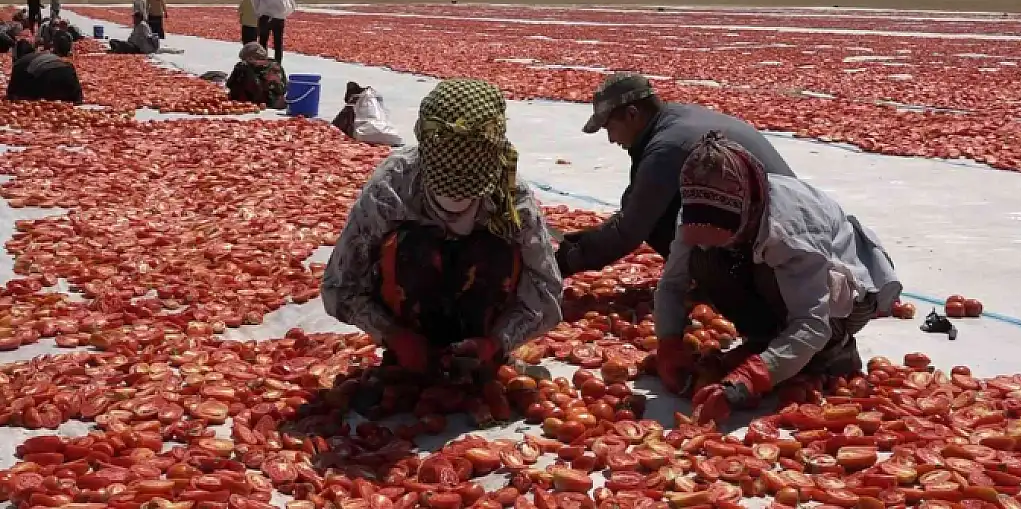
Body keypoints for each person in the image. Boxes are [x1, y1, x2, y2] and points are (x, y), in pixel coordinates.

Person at [321, 78, 563, 383]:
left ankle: (477, 355)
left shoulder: (513, 199)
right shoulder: (392, 188)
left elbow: (547, 291)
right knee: (414, 246)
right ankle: (414, 355)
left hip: (485, 322)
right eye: (443, 189)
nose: (454, 205)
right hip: (406, 317)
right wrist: (392, 335)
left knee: (495, 248)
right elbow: (339, 286)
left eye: (469, 192)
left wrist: (498, 341)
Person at [652, 132, 901, 424]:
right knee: (704, 260)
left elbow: (812, 322)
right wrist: (668, 343)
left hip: (848, 297)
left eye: (724, 231)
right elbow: (672, 284)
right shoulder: (699, 207)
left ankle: (832, 352)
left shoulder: (791, 228)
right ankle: (769, 344)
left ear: (750, 207)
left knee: (777, 284)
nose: (714, 239)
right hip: (779, 273)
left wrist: (750, 379)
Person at [555, 72, 795, 277]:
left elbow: (630, 229)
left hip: (783, 244)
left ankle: (730, 283)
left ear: (631, 114)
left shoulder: (668, 146)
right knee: (656, 208)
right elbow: (634, 203)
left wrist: (561, 263)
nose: (611, 139)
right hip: (785, 224)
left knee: (656, 219)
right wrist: (581, 241)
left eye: (610, 127)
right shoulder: (676, 118)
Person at [7, 33, 83, 104]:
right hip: (69, 76)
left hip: (49, 78)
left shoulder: (20, 62)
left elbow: (12, 92)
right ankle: (76, 99)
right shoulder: (44, 54)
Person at [226, 42, 287, 108]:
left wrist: (273, 80)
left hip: (267, 98)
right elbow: (229, 84)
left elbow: (281, 90)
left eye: (248, 60)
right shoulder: (246, 66)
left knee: (245, 71)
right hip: (251, 96)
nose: (246, 62)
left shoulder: (273, 68)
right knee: (241, 69)